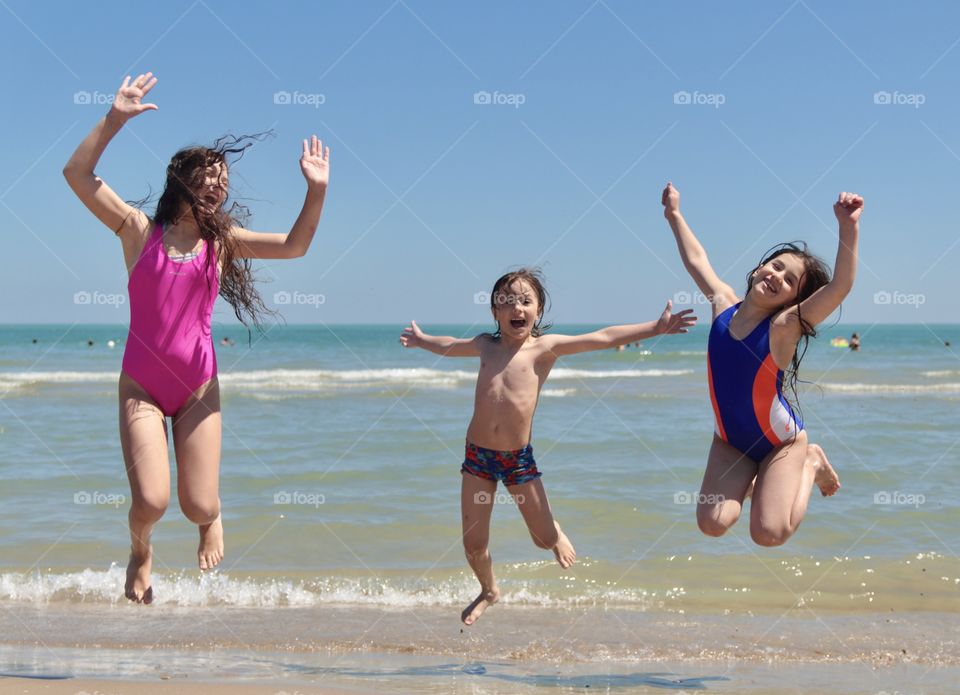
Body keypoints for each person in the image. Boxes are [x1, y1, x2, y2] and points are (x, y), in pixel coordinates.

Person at [63, 72, 330, 603]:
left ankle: (214, 518)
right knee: (152, 502)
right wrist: (115, 118)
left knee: (199, 506)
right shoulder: (138, 232)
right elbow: (77, 173)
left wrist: (316, 190)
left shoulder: (223, 244)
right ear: (180, 179)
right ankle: (142, 550)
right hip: (141, 384)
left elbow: (296, 246)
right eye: (207, 175)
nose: (218, 183)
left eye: (223, 177)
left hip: (197, 388)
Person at [400, 268, 695, 624]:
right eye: (507, 302)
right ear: (495, 311)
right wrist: (421, 339)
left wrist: (655, 328)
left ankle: (553, 532)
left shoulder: (545, 349)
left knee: (541, 539)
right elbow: (448, 347)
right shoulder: (484, 345)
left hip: (518, 462)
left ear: (538, 310)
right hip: (477, 457)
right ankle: (490, 590)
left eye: (526, 301)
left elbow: (602, 337)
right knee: (473, 545)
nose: (517, 308)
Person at [661, 182, 858, 547]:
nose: (776, 277)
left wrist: (848, 228)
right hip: (730, 443)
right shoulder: (723, 305)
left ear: (792, 300)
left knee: (768, 533)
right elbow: (697, 260)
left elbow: (840, 287)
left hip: (781, 443)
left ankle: (811, 462)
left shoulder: (784, 329)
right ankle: (758, 479)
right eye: (776, 266)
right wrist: (674, 214)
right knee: (712, 522)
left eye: (789, 281)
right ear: (758, 268)